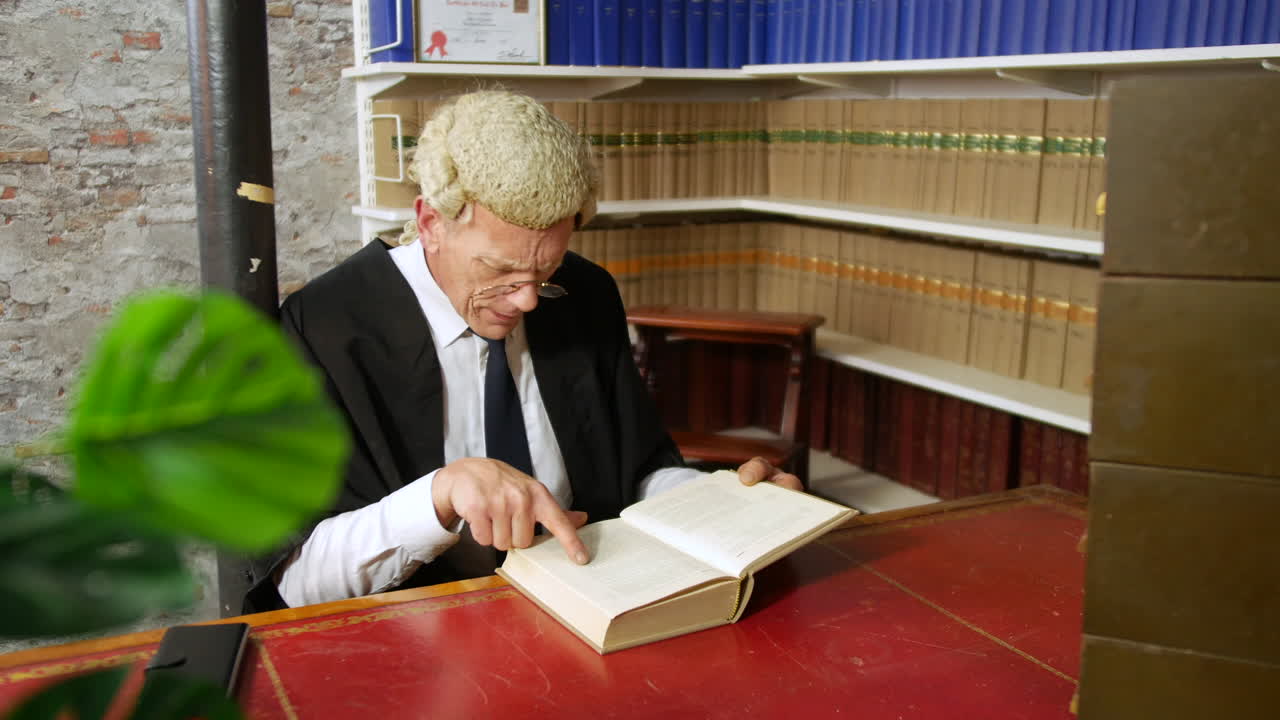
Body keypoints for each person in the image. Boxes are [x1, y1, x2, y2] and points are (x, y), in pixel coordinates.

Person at [245, 90, 801, 612]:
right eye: (498, 270)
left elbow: (640, 472)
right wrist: (440, 495)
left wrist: (728, 505)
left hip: (587, 606)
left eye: (546, 270)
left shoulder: (584, 293)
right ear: (429, 222)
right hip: (414, 639)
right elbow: (299, 582)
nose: (528, 301)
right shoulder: (323, 327)